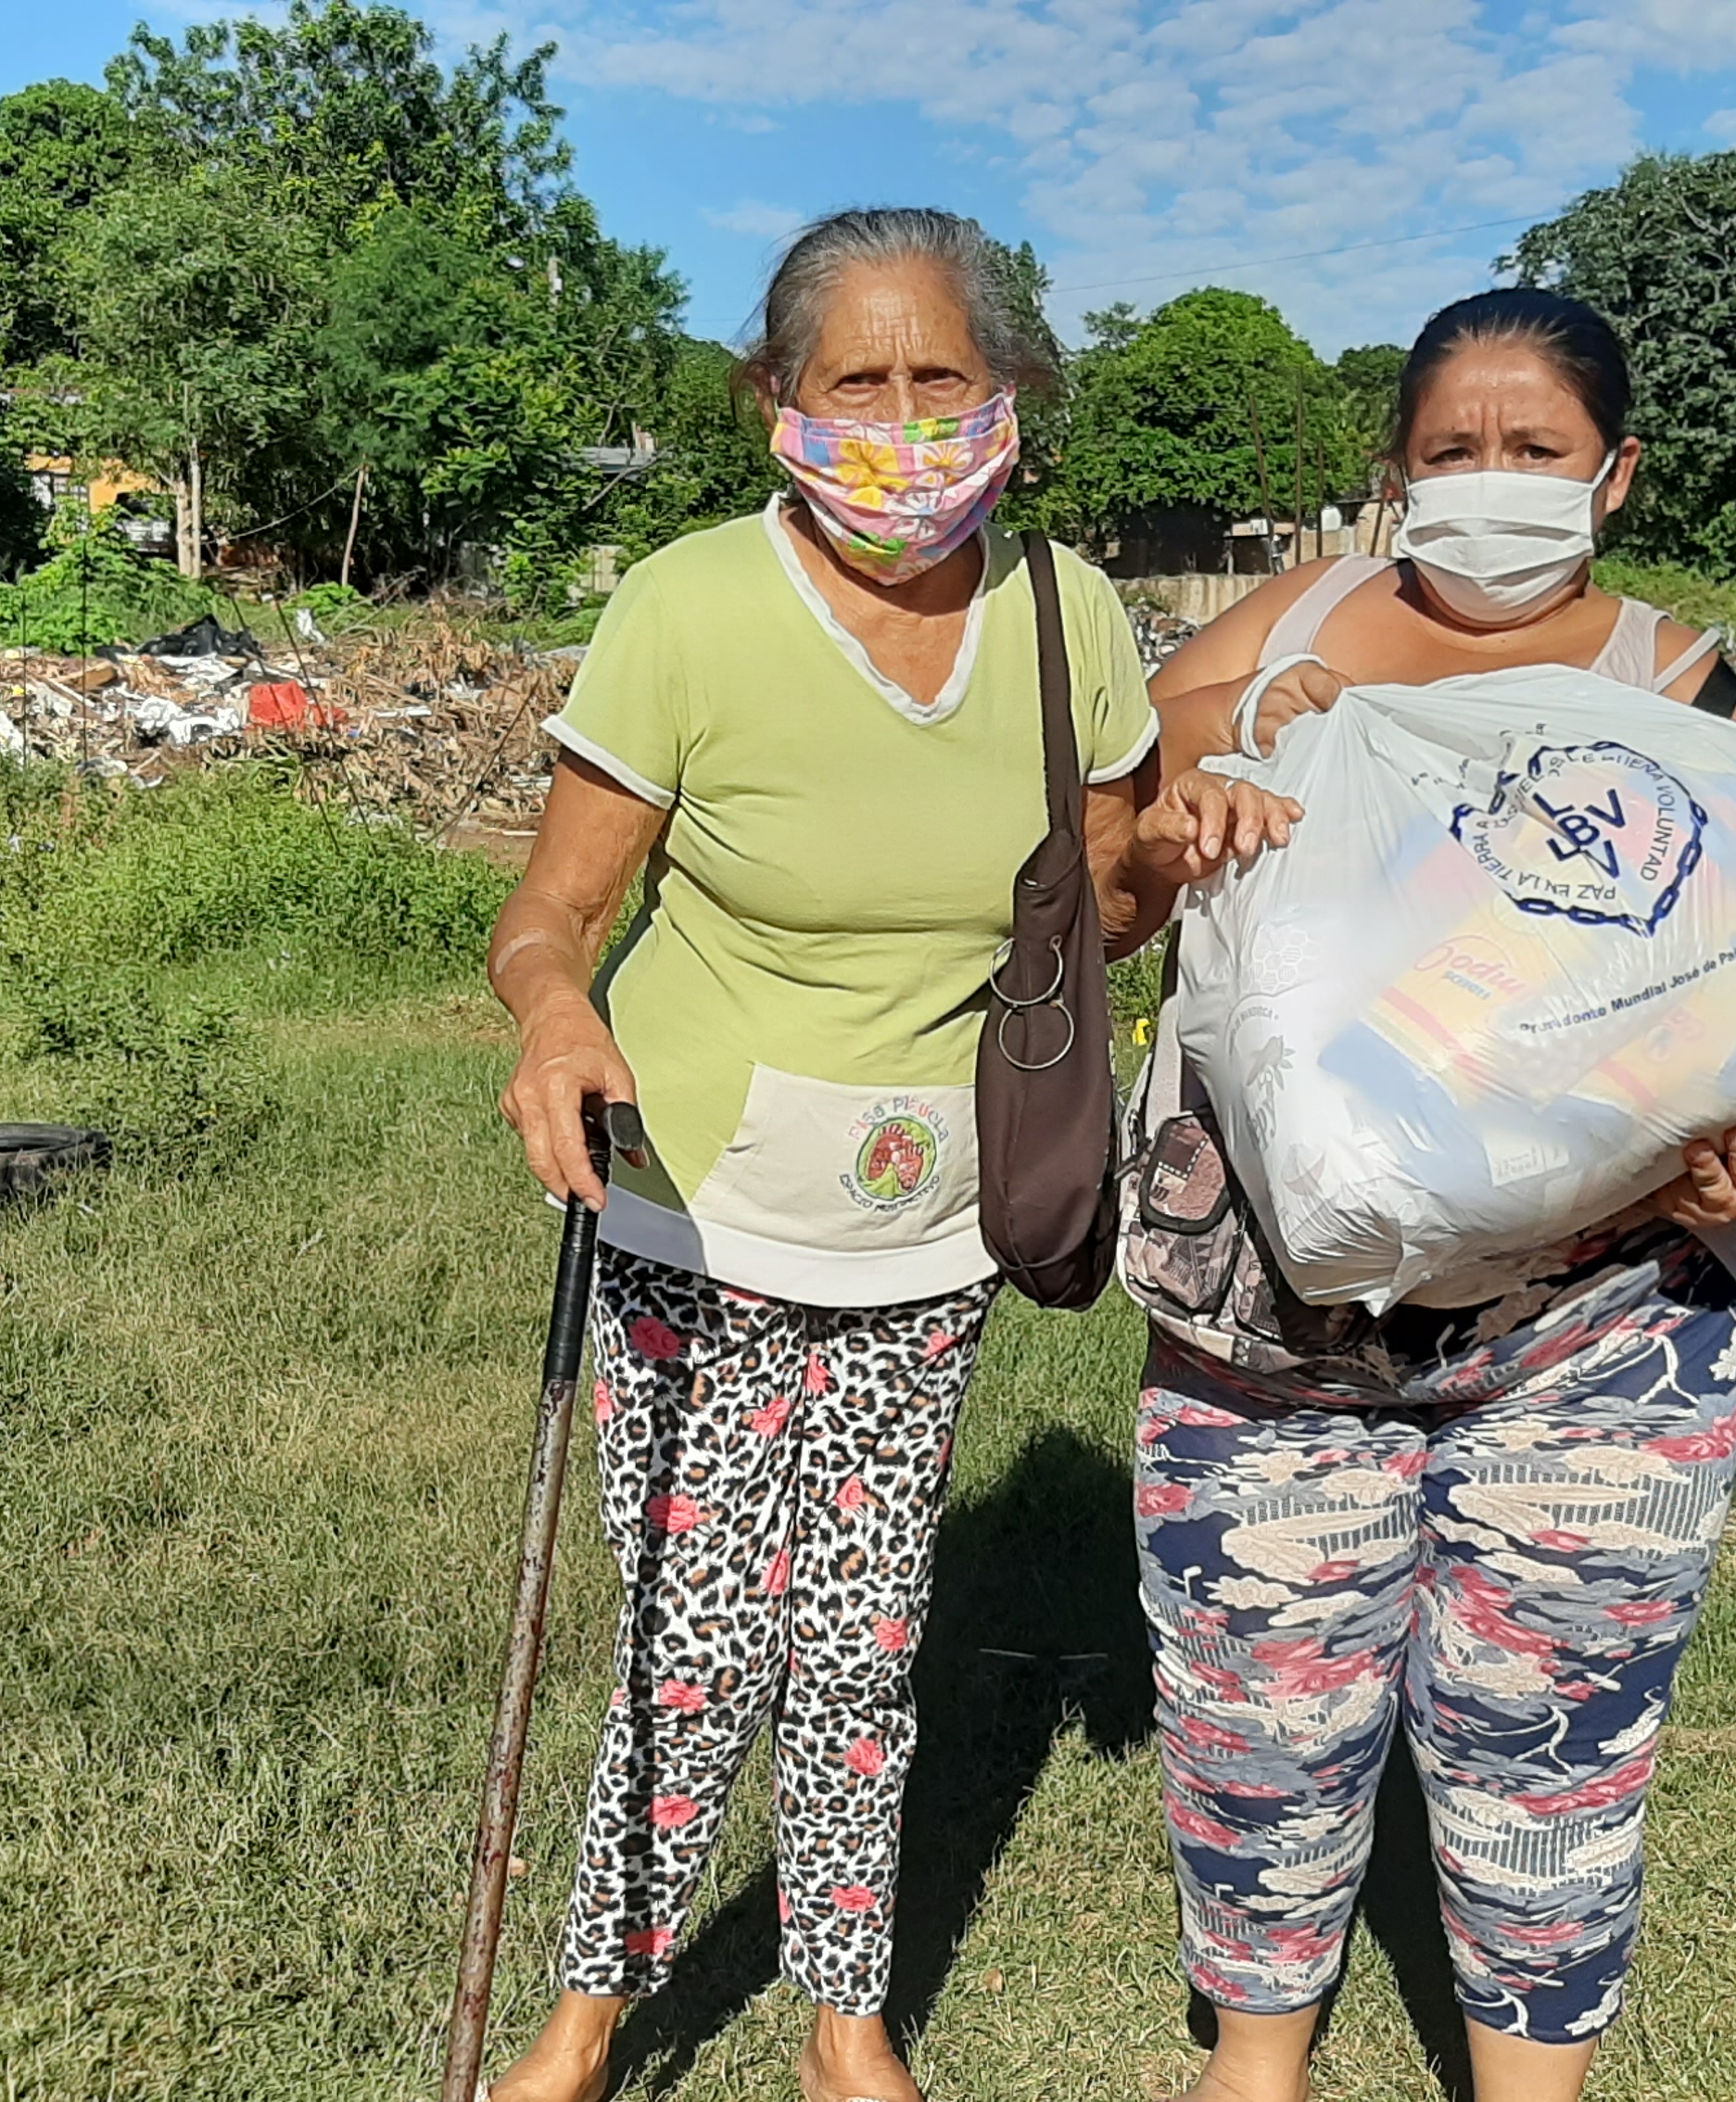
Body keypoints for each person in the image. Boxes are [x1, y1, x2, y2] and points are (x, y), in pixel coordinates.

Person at [480, 206, 1290, 2102]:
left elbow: (1102, 916)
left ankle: (847, 2022)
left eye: (944, 378)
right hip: (690, 1201)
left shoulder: (1067, 616)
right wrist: (555, 1016)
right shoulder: (688, 606)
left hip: (933, 1217)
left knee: (860, 1639)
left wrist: (1181, 852)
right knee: (694, 1638)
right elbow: (550, 910)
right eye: (859, 381)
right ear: (777, 395)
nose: (905, 425)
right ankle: (592, 2012)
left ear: (1012, 394)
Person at [1123, 286, 1736, 2102]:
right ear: (1399, 471)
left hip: (1598, 1330)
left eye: (1535, 451)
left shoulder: (1687, 691)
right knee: (1257, 1721)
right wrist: (1204, 786)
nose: (1492, 480)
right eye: (1453, 450)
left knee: (1553, 1744)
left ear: (1615, 475)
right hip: (1267, 1327)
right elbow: (1122, 825)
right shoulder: (1298, 624)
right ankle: (1252, 2072)